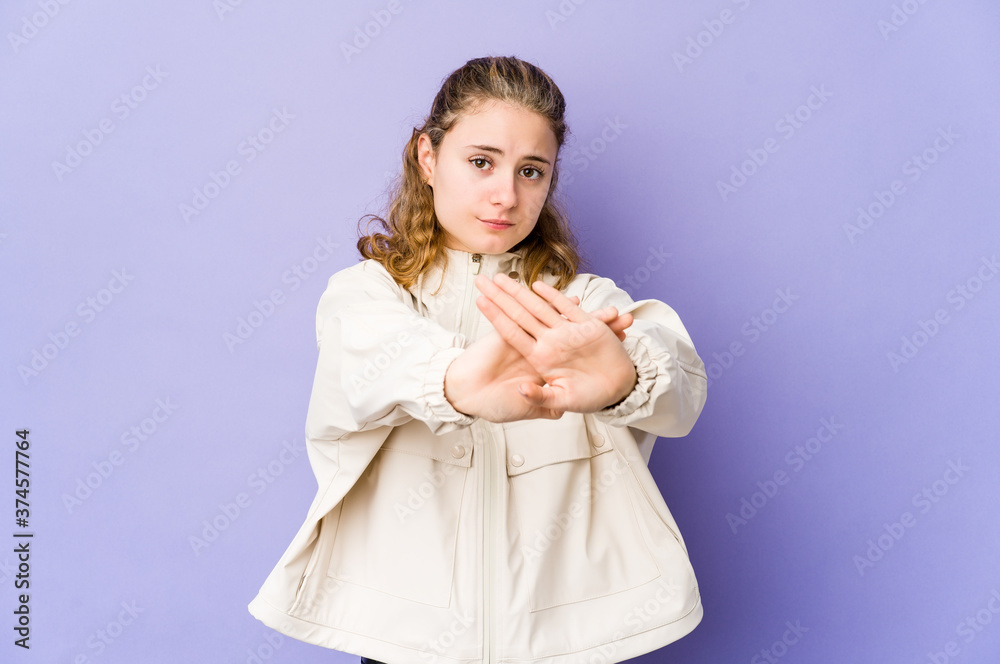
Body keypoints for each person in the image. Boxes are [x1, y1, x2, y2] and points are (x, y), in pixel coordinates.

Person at [248, 55, 708, 664]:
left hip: (567, 642)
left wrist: (626, 379)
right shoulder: (367, 294)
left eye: (532, 171)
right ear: (428, 157)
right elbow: (378, 360)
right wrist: (459, 381)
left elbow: (678, 378)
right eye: (481, 162)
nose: (506, 194)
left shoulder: (581, 306)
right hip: (405, 641)